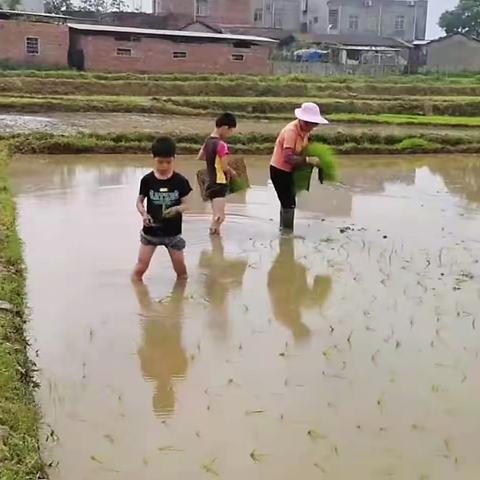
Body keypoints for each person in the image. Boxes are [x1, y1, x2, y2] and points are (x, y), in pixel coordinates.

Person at [132, 137, 192, 282]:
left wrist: (177, 209)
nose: (164, 166)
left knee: (181, 272)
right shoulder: (147, 180)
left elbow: (187, 204)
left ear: (174, 158)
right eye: (160, 162)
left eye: (168, 162)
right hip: (151, 233)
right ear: (153, 158)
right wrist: (144, 214)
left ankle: (179, 301)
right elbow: (139, 201)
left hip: (173, 234)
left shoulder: (180, 181)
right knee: (139, 269)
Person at [270, 102, 329, 232]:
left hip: (291, 171)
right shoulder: (291, 131)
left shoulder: (305, 131)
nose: (313, 126)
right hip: (280, 171)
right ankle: (287, 235)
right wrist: (309, 160)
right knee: (289, 204)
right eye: (311, 123)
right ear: (303, 120)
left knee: (287, 202)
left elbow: (305, 146)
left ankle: (283, 229)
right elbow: (288, 157)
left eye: (315, 123)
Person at [198, 112, 237, 235]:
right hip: (219, 183)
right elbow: (225, 167)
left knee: (216, 215)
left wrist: (213, 160)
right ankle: (215, 244)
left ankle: (216, 242)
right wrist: (233, 172)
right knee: (219, 217)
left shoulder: (208, 141)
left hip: (210, 182)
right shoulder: (221, 145)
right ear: (225, 128)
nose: (230, 134)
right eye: (230, 131)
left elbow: (200, 157)